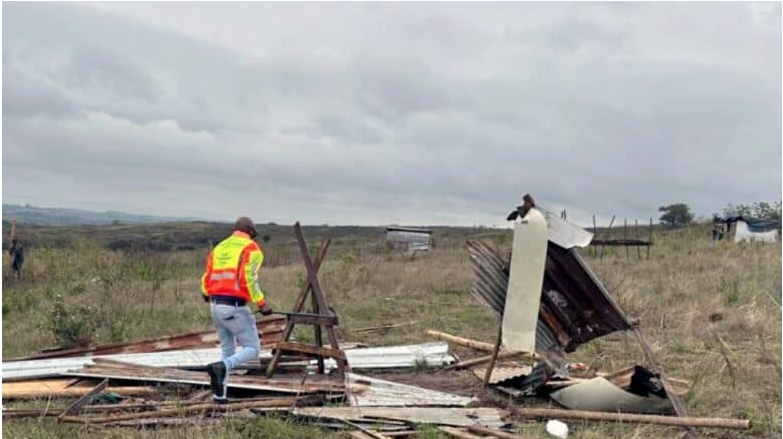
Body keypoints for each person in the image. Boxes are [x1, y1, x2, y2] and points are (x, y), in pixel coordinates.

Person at [201, 216, 273, 403]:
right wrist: (261, 303)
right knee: (252, 348)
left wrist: (206, 291)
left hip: (215, 306)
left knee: (227, 348)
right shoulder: (250, 248)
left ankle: (220, 397)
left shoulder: (220, 247)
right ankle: (223, 366)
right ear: (250, 231)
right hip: (234, 307)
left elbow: (207, 277)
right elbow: (248, 278)